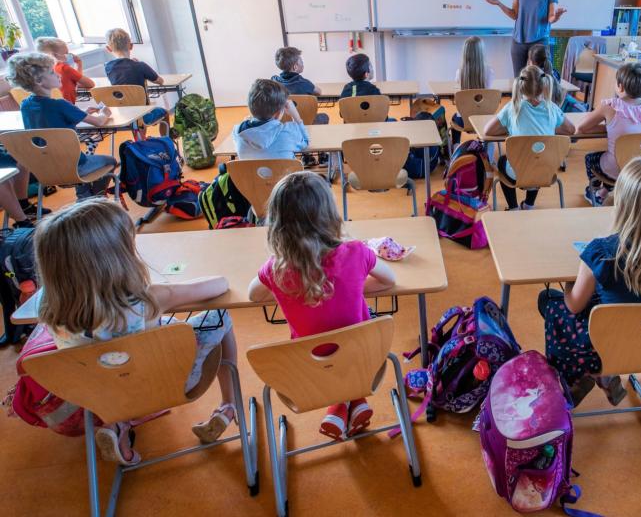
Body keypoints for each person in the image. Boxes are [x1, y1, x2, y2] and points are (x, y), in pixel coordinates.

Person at [35, 199, 241, 465]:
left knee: (112, 357)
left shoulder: (48, 306)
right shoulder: (145, 299)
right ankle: (228, 405)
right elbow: (219, 284)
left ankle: (115, 425)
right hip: (166, 384)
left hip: (95, 394)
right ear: (116, 257)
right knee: (219, 317)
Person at [248, 171, 396, 440]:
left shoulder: (275, 270)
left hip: (309, 372)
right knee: (352, 339)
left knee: (326, 352)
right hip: (364, 361)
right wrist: (350, 287)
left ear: (278, 223)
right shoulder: (357, 252)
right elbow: (388, 281)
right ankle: (355, 400)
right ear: (329, 214)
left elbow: (253, 295)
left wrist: (292, 290)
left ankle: (338, 406)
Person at [539, 157, 641, 406]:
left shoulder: (602, 252)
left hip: (603, 346)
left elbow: (573, 306)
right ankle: (602, 374)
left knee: (549, 301)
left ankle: (584, 374)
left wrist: (570, 281)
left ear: (622, 204)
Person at [6, 52, 117, 198]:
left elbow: (49, 120)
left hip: (45, 170)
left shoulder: (25, 106)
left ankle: (84, 194)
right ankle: (94, 197)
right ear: (39, 81)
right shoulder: (61, 105)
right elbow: (99, 122)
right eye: (52, 73)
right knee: (111, 161)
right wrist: (105, 113)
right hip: (77, 166)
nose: (57, 74)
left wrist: (80, 112)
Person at [576, 62, 641, 205]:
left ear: (619, 86)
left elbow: (582, 127)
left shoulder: (611, 106)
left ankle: (594, 191)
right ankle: (604, 191)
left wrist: (609, 127)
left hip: (617, 168)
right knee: (616, 156)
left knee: (591, 159)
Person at [482, 65, 574, 210]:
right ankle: (529, 204)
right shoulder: (552, 108)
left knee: (502, 160)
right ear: (544, 85)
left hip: (517, 173)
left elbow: (488, 130)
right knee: (538, 155)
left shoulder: (513, 107)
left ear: (520, 85)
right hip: (545, 171)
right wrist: (551, 127)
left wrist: (509, 128)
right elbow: (571, 129)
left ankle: (513, 207)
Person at [484, 0, 566, 76]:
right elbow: (514, 14)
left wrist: (557, 16)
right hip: (518, 41)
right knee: (519, 79)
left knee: (540, 78)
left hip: (539, 40)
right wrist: (499, 4)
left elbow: (550, 17)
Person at [232, 79, 308, 160]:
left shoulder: (237, 131)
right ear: (278, 113)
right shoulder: (288, 131)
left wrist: (247, 121)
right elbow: (305, 142)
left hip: (249, 172)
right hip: (286, 172)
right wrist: (296, 117)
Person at [451, 36, 495, 145]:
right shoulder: (489, 72)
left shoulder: (460, 73)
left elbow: (457, 84)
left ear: (465, 53)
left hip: (463, 121)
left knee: (453, 118)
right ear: (481, 53)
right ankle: (485, 147)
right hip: (485, 120)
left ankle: (455, 146)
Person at [35, 37, 94, 104]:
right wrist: (79, 64)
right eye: (66, 53)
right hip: (74, 103)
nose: (70, 55)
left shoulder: (46, 71)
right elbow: (90, 84)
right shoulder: (65, 69)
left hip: (59, 105)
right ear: (54, 55)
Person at [527, 43, 585, 112]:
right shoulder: (554, 74)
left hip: (564, 110)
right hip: (570, 108)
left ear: (530, 62)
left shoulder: (532, 81)